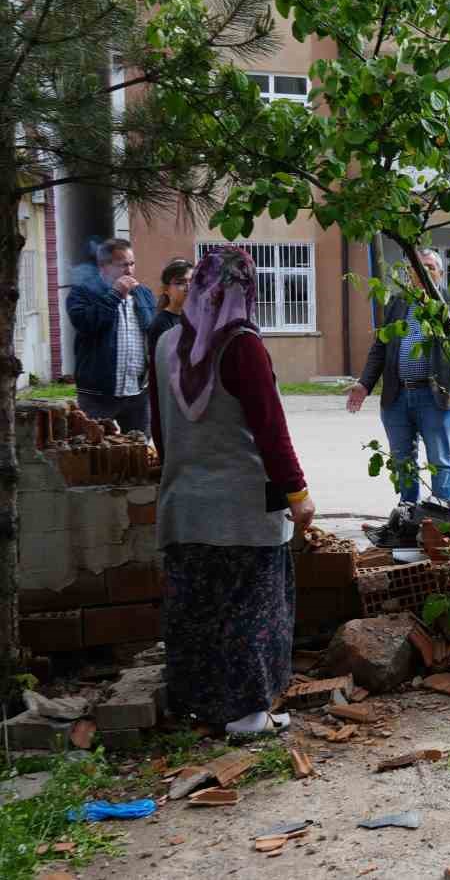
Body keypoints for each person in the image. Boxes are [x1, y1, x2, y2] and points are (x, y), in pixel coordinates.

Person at [149, 247, 314, 735]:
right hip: (243, 513)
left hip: (183, 507)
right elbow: (270, 429)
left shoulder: (166, 346)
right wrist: (298, 494)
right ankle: (248, 715)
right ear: (247, 291)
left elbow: (161, 432)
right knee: (251, 610)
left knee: (196, 612)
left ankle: (199, 707)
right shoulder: (241, 346)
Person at [348, 249, 450, 504]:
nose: (423, 272)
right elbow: (380, 347)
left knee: (438, 460)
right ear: (409, 273)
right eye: (417, 267)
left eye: (430, 267)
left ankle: (440, 516)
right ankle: (408, 512)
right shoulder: (397, 303)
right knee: (402, 462)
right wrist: (365, 384)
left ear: (440, 273)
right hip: (397, 396)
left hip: (434, 396)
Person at [66, 238, 157, 433]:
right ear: (104, 266)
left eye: (132, 264)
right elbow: (86, 324)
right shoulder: (82, 293)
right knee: (95, 451)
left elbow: (152, 333)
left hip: (137, 393)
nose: (130, 271)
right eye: (122, 265)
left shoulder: (143, 294)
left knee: (138, 452)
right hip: (97, 395)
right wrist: (115, 295)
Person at [147, 258, 194, 354]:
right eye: (180, 282)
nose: (188, 287)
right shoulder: (161, 323)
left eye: (192, 281)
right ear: (166, 289)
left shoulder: (199, 318)